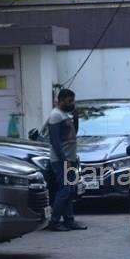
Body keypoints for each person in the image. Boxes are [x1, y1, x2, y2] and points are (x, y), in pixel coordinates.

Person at [46, 89, 87, 232]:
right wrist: (64, 159)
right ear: (61, 100)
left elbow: (73, 133)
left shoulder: (64, 115)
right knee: (65, 190)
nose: (72, 103)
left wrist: (76, 117)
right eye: (70, 101)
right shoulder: (55, 115)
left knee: (70, 191)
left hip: (70, 158)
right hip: (61, 160)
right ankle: (54, 221)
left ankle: (69, 220)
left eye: (73, 100)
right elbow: (55, 141)